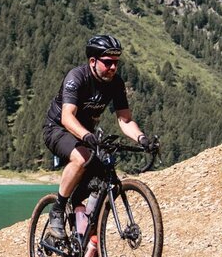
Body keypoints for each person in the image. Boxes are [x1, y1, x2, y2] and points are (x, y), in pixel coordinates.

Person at [41, 34, 153, 239]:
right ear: (92, 61)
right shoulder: (77, 77)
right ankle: (58, 208)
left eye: (116, 62)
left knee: (103, 177)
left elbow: (125, 120)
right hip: (57, 129)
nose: (113, 67)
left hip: (86, 135)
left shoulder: (116, 83)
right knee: (81, 157)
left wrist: (142, 139)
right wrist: (86, 135)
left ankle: (87, 236)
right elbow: (67, 117)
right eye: (108, 62)